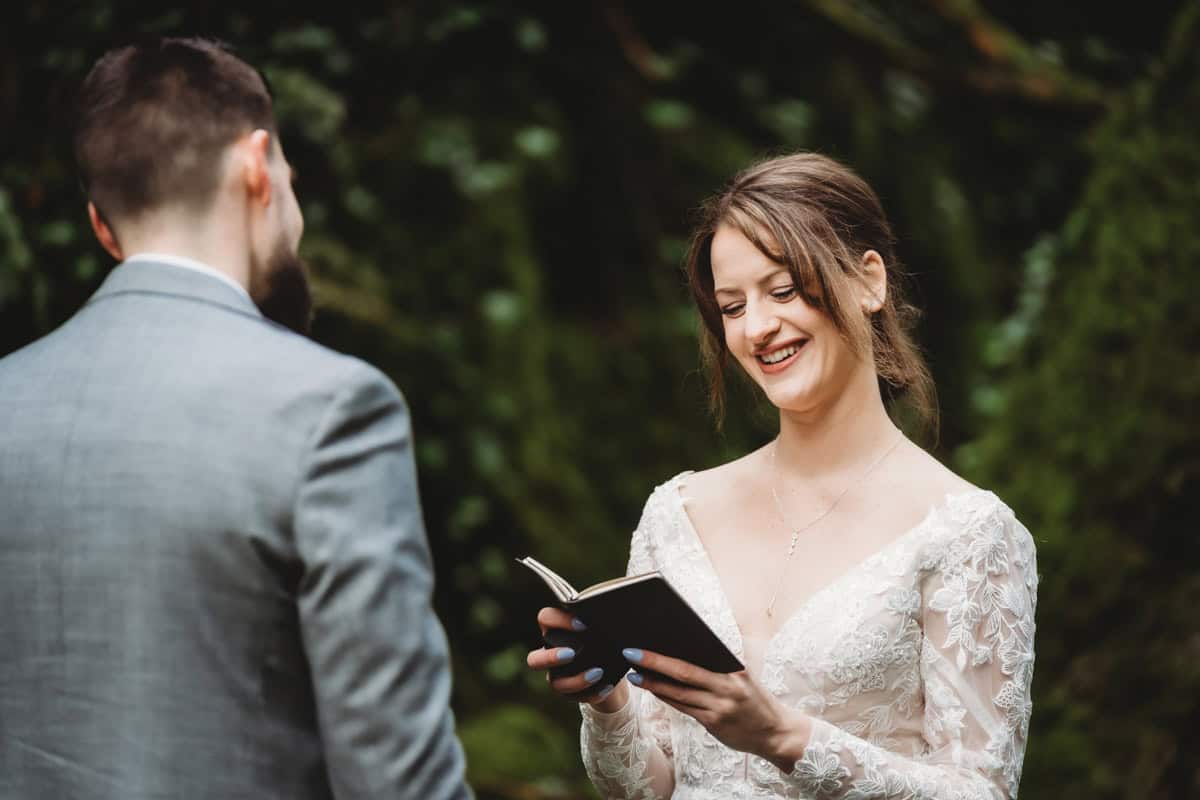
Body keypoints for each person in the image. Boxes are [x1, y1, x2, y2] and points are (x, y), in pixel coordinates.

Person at [0, 37, 469, 800]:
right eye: (289, 174)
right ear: (257, 167)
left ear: (101, 226)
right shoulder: (332, 410)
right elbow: (397, 780)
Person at [527, 153, 1037, 798]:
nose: (758, 328)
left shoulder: (968, 531)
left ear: (867, 281)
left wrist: (784, 738)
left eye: (784, 291)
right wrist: (606, 705)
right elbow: (646, 788)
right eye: (732, 307)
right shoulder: (676, 512)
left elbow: (982, 792)